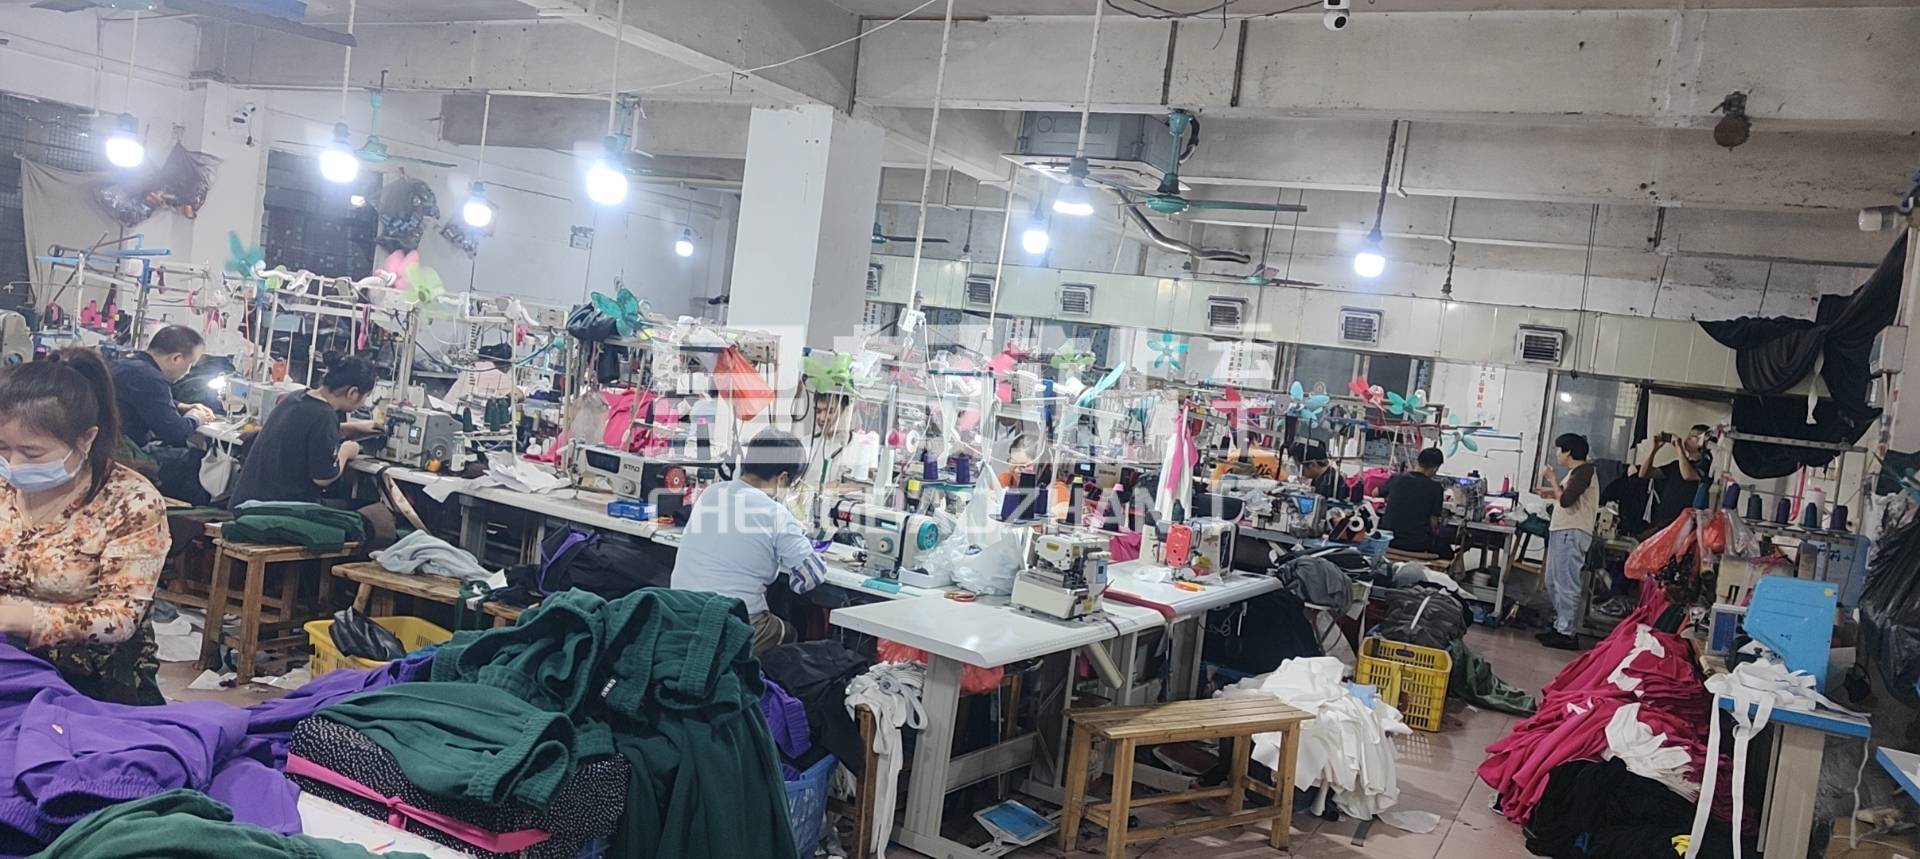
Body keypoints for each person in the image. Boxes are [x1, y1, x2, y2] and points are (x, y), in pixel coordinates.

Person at [0, 348, 171, 703]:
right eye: (2, 448)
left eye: (32, 453)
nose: (13, 464)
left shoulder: (130, 502)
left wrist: (21, 619)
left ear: (86, 439)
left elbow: (121, 618)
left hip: (90, 678)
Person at [671, 430, 827, 655]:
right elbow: (812, 575)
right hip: (729, 622)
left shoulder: (711, 493)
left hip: (679, 612)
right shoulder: (776, 514)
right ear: (782, 478)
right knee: (789, 633)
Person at [225, 357, 377, 509]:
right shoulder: (325, 416)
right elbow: (323, 478)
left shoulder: (296, 397)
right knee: (369, 510)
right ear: (353, 392)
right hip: (277, 508)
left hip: (248, 501)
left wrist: (354, 428)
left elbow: (305, 431)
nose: (364, 402)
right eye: (366, 396)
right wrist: (346, 452)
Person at [112, 325, 215, 503]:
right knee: (196, 459)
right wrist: (196, 418)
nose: (188, 372)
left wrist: (180, 406)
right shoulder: (151, 379)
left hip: (110, 448)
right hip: (125, 456)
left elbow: (144, 400)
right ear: (176, 358)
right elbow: (175, 433)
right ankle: (191, 515)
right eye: (190, 364)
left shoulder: (126, 364)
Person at [1535, 433, 1599, 651]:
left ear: (1568, 452)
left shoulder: (1585, 471)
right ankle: (1560, 625)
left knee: (1566, 583)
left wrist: (1552, 479)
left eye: (1558, 449)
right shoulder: (1576, 473)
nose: (1556, 454)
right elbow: (1565, 496)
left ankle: (1567, 633)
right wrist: (1550, 492)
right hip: (1562, 530)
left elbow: (1566, 501)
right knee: (1553, 581)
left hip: (1571, 532)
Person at [1638, 424, 1712, 533]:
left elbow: (1687, 475)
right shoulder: (1675, 465)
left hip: (1683, 526)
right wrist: (1654, 449)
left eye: (1693, 437)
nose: (1687, 439)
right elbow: (1644, 473)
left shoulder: (1705, 464)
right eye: (1688, 435)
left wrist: (1679, 448)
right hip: (1662, 522)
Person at [1380, 447, 1451, 558]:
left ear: (1417, 461)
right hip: (1416, 544)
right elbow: (1433, 523)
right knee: (1447, 551)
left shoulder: (1396, 478)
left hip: (1388, 539)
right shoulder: (1436, 489)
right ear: (1435, 468)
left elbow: (1375, 493)